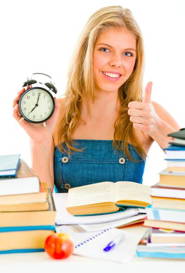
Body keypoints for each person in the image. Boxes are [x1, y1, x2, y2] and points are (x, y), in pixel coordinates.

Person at [13, 5, 179, 193]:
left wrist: (157, 128)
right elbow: (44, 204)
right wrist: (40, 140)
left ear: (136, 61)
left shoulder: (148, 114)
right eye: (105, 50)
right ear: (86, 52)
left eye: (127, 53)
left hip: (129, 224)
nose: (116, 62)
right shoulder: (54, 112)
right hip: (68, 223)